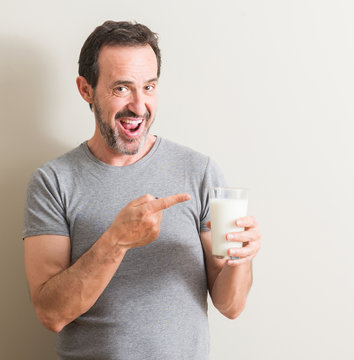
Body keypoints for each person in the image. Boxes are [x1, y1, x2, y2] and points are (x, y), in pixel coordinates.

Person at [23, 20, 261, 360]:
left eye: (149, 87)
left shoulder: (200, 172)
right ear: (86, 89)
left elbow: (231, 306)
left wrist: (241, 259)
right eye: (121, 88)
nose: (138, 105)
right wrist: (116, 241)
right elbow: (51, 314)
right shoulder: (53, 182)